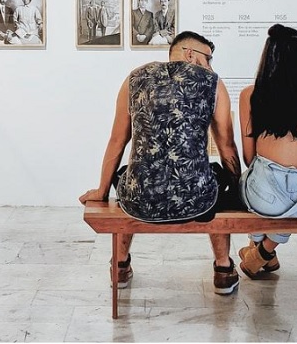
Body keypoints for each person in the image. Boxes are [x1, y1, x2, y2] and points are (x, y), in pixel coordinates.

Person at [79, 31, 243, 294]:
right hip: (195, 199)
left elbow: (117, 141)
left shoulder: (134, 79)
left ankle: (120, 266)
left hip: (142, 199)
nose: (210, 66)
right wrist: (236, 190)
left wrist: (101, 191)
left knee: (129, 175)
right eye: (208, 58)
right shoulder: (213, 83)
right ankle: (223, 269)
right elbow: (227, 147)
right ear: (189, 53)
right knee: (214, 180)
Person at [237, 24, 297, 279]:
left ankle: (260, 250)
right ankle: (263, 252)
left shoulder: (251, 95)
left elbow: (249, 158)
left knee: (249, 180)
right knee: (291, 198)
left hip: (266, 196)